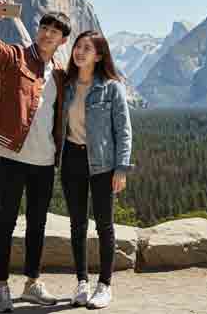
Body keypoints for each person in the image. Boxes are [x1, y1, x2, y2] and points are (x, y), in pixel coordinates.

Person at [0, 0, 71, 312]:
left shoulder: (59, 73)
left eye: (55, 31)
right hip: (12, 156)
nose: (47, 34)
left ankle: (32, 283)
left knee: (37, 224)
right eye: (44, 27)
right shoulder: (16, 56)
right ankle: (2, 286)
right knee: (5, 220)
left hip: (44, 161)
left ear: (62, 40)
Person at [59, 30, 134, 309]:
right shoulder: (66, 85)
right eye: (78, 47)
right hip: (72, 162)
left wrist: (122, 168)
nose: (79, 52)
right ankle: (81, 282)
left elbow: (124, 132)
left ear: (99, 55)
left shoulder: (112, 87)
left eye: (87, 48)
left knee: (104, 225)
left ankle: (104, 285)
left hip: (103, 164)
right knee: (77, 224)